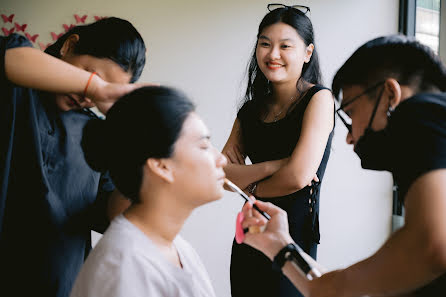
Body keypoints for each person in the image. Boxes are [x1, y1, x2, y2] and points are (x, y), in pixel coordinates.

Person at [240, 34, 446, 297]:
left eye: (350, 114)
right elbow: (325, 289)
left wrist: (329, 286)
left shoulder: (422, 112)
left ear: (390, 94)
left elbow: (430, 246)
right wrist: (281, 247)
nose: (350, 136)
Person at [0, 17, 147, 297]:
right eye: (91, 75)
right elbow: (9, 57)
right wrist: (99, 88)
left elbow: (113, 216)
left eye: (104, 91)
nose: (88, 96)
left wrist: (140, 156)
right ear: (69, 46)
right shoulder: (17, 89)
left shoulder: (97, 135)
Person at [69, 86, 226, 297]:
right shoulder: (124, 266)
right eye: (204, 146)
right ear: (161, 167)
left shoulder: (178, 249)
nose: (221, 159)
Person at [222, 4, 334, 297]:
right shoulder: (250, 109)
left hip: (293, 240)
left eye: (286, 46)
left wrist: (248, 183)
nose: (273, 54)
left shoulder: (319, 100)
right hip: (249, 234)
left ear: (307, 52)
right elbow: (221, 174)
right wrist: (274, 167)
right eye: (265, 44)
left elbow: (298, 177)